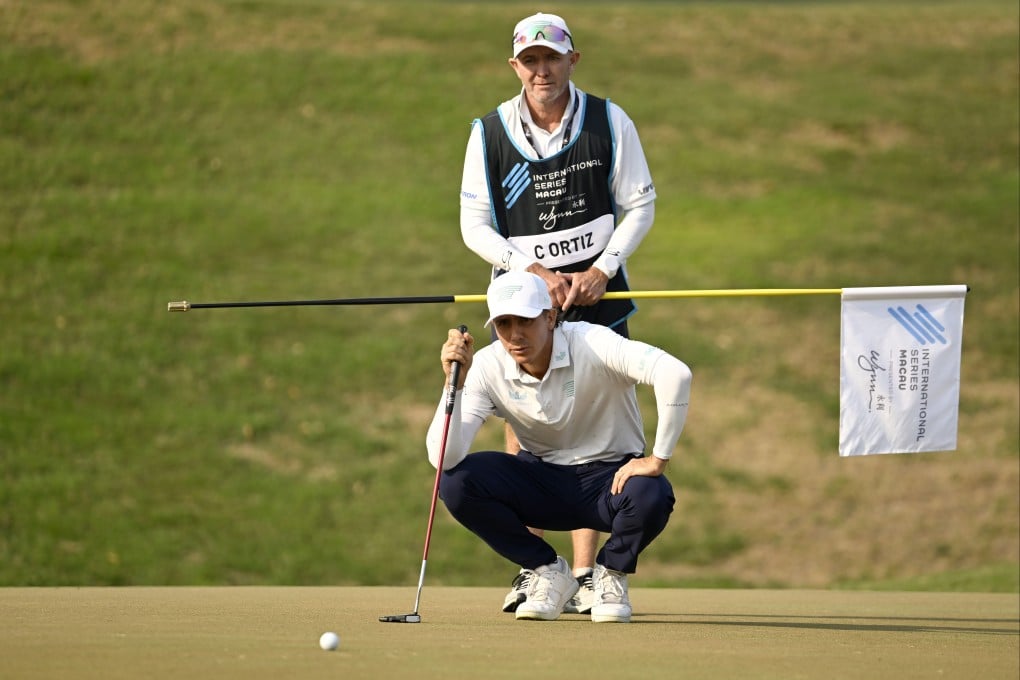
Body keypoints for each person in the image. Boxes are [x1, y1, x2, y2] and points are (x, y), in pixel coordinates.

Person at [458, 11, 658, 614]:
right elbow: (474, 225)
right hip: (524, 297)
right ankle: (540, 571)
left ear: (573, 59)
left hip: (597, 294)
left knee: (598, 429)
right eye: (530, 60)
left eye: (552, 58)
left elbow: (639, 203)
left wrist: (602, 267)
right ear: (515, 66)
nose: (541, 70)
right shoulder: (489, 131)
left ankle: (589, 572)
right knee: (526, 426)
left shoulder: (607, 119)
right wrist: (534, 273)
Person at [426, 271, 692, 622]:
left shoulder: (594, 341)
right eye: (504, 323)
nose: (514, 334)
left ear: (550, 317)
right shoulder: (488, 365)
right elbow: (443, 455)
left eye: (525, 320)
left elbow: (675, 374)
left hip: (610, 483)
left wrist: (657, 460)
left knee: (652, 492)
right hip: (542, 483)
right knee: (456, 481)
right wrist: (453, 384)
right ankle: (548, 570)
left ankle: (610, 575)